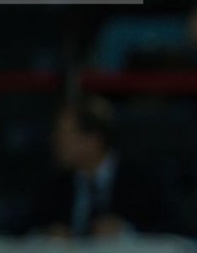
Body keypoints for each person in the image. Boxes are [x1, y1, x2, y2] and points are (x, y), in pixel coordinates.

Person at [31, 97, 168, 238]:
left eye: (64, 134)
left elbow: (173, 232)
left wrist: (127, 232)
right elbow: (22, 231)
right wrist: (46, 235)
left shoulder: (141, 182)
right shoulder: (54, 187)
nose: (55, 141)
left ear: (93, 140)